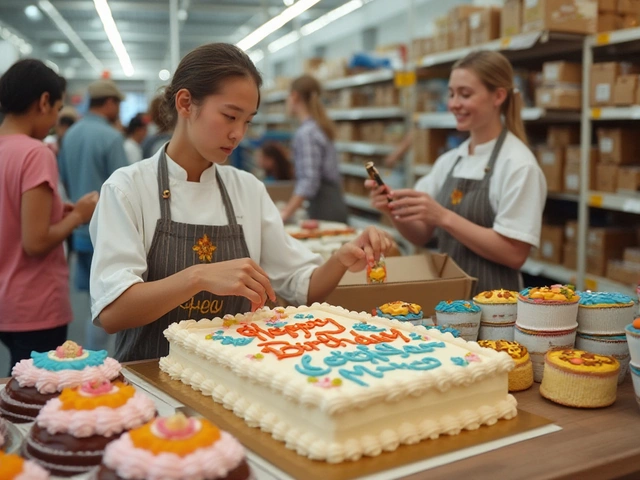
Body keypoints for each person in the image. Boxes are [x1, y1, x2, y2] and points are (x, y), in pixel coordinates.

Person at [89, 43, 393, 362]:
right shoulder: (128, 189)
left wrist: (342, 258)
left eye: (247, 121)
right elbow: (113, 310)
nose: (238, 134)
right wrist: (199, 276)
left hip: (233, 381)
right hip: (151, 382)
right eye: (230, 116)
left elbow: (301, 286)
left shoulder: (246, 189)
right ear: (185, 103)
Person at [367, 50, 546, 294]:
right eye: (451, 94)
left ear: (499, 96)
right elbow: (421, 236)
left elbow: (514, 254)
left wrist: (443, 217)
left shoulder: (518, 165)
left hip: (496, 310)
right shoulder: (450, 161)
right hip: (449, 303)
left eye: (465, 94)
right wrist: (390, 209)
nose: (453, 104)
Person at [0, 60, 98, 374]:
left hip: (5, 302)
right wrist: (79, 215)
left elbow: (11, 214)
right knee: (38, 399)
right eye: (57, 108)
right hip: (34, 304)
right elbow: (35, 242)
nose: (56, 119)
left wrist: (58, 212)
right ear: (43, 102)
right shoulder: (36, 152)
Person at [58, 78, 129, 350]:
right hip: (108, 234)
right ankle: (104, 365)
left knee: (92, 299)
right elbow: (126, 188)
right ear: (109, 103)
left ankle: (91, 359)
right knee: (112, 304)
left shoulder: (71, 134)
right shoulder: (111, 137)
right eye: (118, 104)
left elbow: (63, 177)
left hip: (79, 232)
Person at [280, 75, 348, 224]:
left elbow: (309, 181)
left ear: (294, 96)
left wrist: (285, 213)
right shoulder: (318, 126)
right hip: (332, 203)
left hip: (325, 208)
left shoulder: (306, 133)